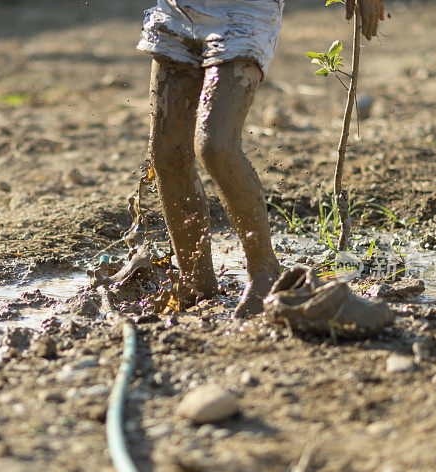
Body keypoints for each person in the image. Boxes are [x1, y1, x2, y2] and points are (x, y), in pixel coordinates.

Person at [137, 0, 384, 317]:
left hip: (244, 12)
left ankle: (264, 270)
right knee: (167, 154)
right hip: (179, 9)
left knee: (215, 146)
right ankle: (195, 282)